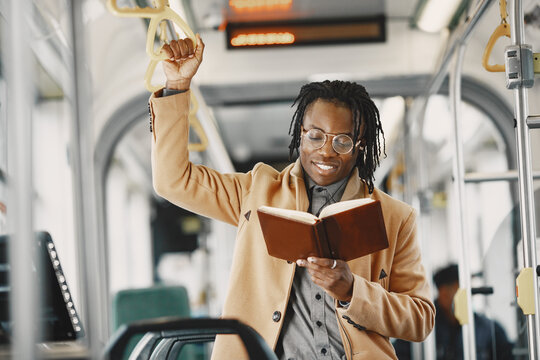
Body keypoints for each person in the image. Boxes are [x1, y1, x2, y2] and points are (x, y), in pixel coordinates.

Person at [149, 34, 435, 360]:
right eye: (315, 136)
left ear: (360, 145)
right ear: (300, 133)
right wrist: (176, 85)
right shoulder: (255, 193)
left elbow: (420, 319)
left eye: (342, 141)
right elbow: (174, 181)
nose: (326, 151)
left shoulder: (395, 217)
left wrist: (353, 292)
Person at [393, 264, 514, 360]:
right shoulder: (419, 326)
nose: (468, 296)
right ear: (443, 294)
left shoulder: (488, 328)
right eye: (461, 290)